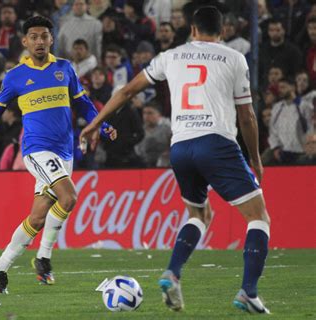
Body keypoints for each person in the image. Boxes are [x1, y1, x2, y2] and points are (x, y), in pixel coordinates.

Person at [81, 6, 271, 314]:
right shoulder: (234, 58)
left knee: (199, 215)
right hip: (216, 142)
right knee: (258, 217)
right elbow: (247, 116)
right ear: (221, 33)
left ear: (192, 30)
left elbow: (127, 90)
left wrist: (94, 122)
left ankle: (172, 271)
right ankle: (248, 291)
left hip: (180, 147)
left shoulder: (171, 56)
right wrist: (255, 158)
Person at [0, 16, 116, 294]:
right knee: (69, 197)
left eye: (44, 36)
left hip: (64, 150)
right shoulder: (15, 76)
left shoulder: (65, 68)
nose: (39, 41)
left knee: (37, 217)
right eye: (33, 36)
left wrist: (101, 125)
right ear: (25, 42)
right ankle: (44, 258)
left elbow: (83, 105)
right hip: (37, 149)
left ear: (51, 39)